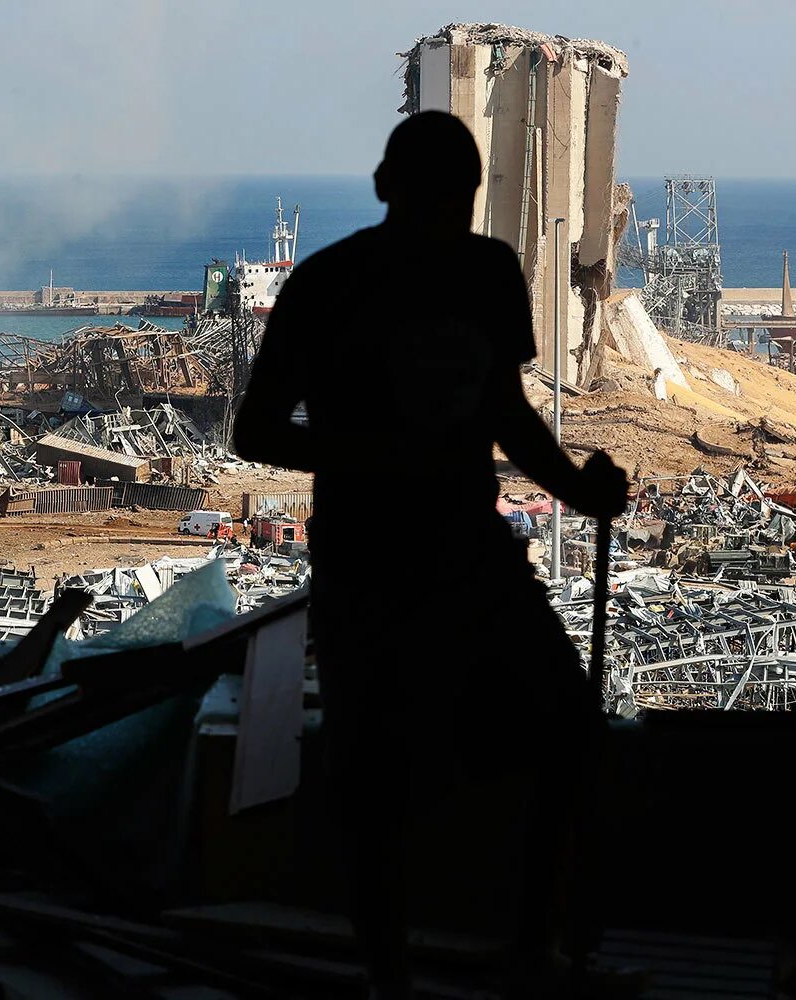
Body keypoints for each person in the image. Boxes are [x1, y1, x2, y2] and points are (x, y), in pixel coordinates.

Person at [232, 111, 628, 1000]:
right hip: (369, 561)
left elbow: (508, 412)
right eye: (436, 197)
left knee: (564, 724)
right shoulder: (330, 284)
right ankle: (393, 977)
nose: (448, 215)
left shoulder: (485, 273)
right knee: (376, 771)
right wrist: (374, 456)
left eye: (459, 199)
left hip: (466, 551)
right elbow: (253, 430)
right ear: (388, 191)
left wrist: (577, 490)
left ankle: (528, 951)